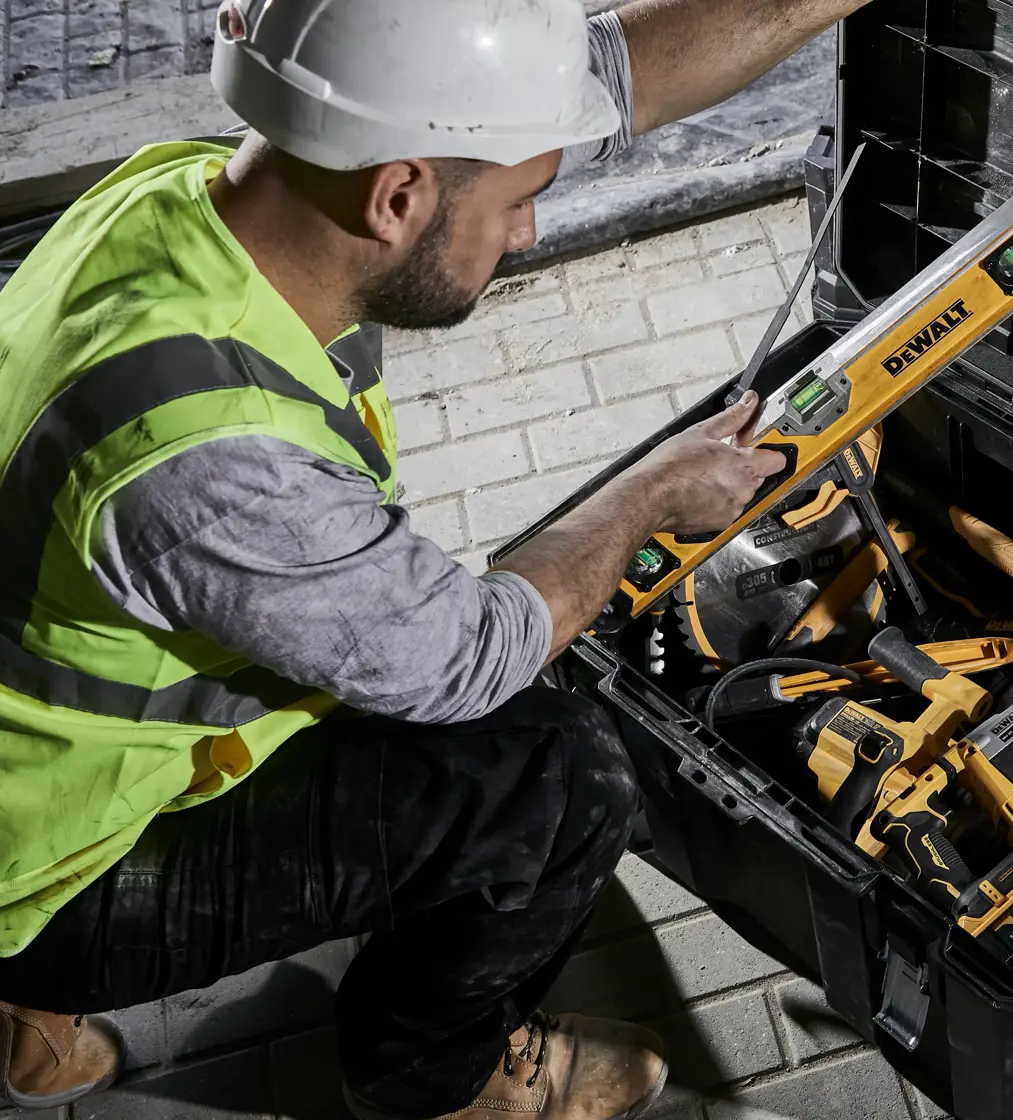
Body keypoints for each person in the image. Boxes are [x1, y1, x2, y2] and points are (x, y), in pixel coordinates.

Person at [0, 0, 864, 1116]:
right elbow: (468, 655)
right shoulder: (212, 459)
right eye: (520, 201)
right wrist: (653, 490)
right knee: (553, 780)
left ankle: (28, 1029)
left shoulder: (190, 198)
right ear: (399, 194)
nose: (531, 233)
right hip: (46, 868)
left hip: (34, 752)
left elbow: (612, 73)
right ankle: (437, 1081)